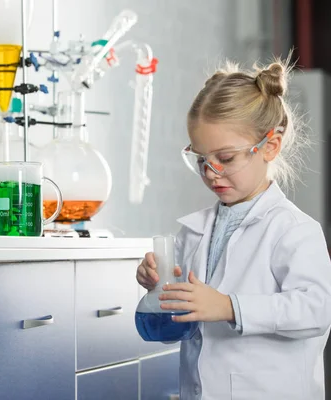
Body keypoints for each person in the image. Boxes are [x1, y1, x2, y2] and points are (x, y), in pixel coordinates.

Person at [136, 58, 331, 399]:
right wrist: (160, 290)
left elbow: (317, 310)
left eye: (225, 159)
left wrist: (229, 307)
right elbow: (178, 330)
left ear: (270, 146)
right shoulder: (193, 232)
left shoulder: (293, 229)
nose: (211, 172)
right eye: (201, 159)